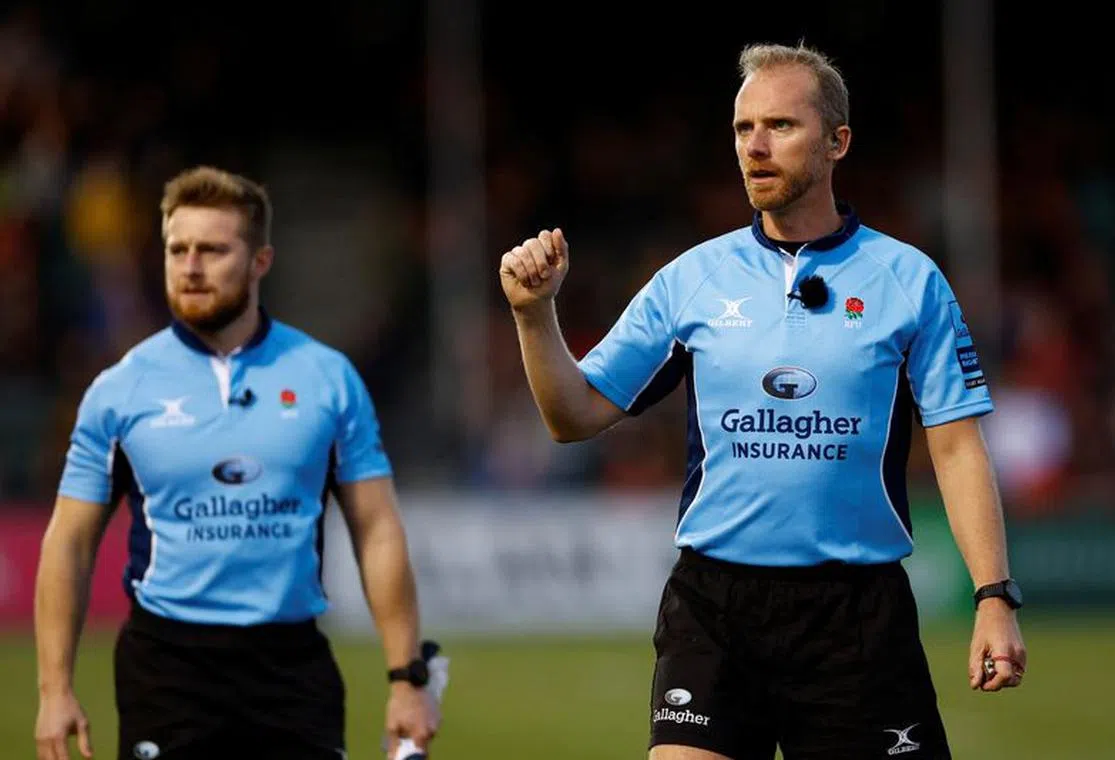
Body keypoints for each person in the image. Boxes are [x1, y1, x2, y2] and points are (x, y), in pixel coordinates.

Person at [499, 42, 1027, 760]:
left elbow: (959, 447)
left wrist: (993, 596)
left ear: (837, 141)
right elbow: (572, 417)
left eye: (780, 125)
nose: (756, 146)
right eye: (744, 128)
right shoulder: (692, 280)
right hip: (714, 608)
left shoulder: (911, 281)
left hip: (856, 614)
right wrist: (535, 316)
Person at [34, 166, 440, 760]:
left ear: (260, 262)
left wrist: (407, 679)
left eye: (213, 250)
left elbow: (376, 527)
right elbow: (68, 541)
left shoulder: (328, 378)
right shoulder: (117, 391)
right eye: (178, 249)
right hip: (167, 673)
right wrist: (53, 690)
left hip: (291, 672)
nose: (191, 266)